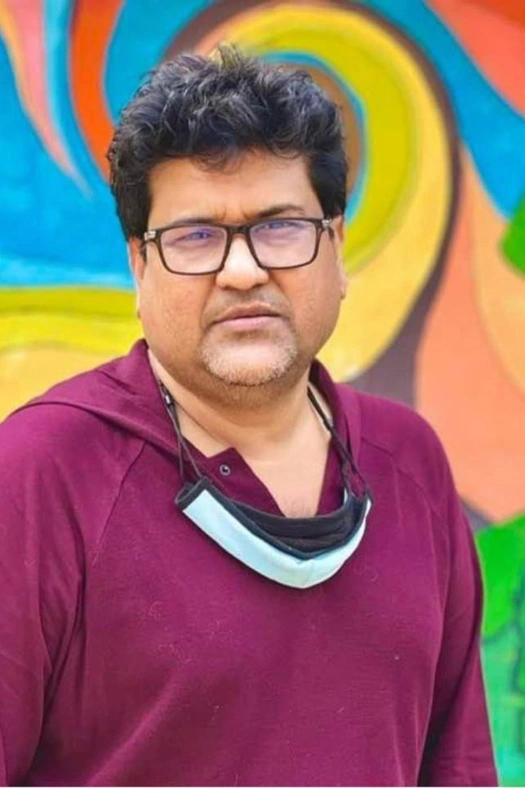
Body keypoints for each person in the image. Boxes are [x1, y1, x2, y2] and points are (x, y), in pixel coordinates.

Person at [0, 46, 496, 786]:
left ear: (335, 247)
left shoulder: (407, 463)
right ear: (140, 265)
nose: (243, 270)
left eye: (279, 227)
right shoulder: (42, 472)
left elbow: (458, 767)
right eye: (195, 236)